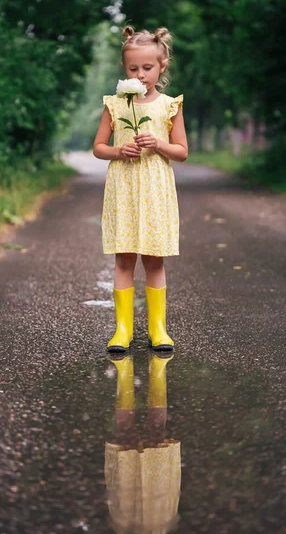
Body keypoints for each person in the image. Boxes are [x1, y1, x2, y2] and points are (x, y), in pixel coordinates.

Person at [93, 25, 188, 352]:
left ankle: (158, 329)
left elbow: (182, 151)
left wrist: (159, 143)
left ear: (161, 66)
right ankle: (123, 330)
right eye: (133, 68)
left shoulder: (169, 105)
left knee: (154, 260)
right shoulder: (115, 105)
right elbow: (99, 147)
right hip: (124, 188)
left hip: (155, 189)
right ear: (124, 70)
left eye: (147, 68)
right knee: (123, 259)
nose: (141, 74)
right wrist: (119, 150)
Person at [105, 352, 181, 533]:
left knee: (127, 444)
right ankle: (156, 371)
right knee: (155, 439)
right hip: (157, 520)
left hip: (130, 522)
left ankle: (126, 376)